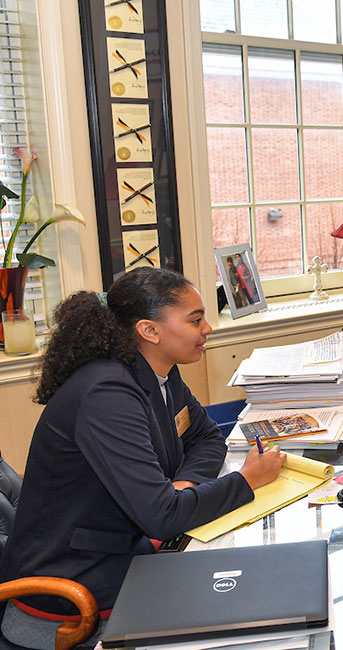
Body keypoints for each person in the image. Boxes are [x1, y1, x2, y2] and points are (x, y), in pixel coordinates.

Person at [0, 268, 286, 649]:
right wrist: (247, 481)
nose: (208, 329)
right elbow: (163, 517)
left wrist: (184, 485)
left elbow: (206, 438)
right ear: (150, 331)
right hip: (74, 591)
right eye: (195, 319)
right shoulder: (106, 394)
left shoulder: (158, 372)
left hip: (124, 552)